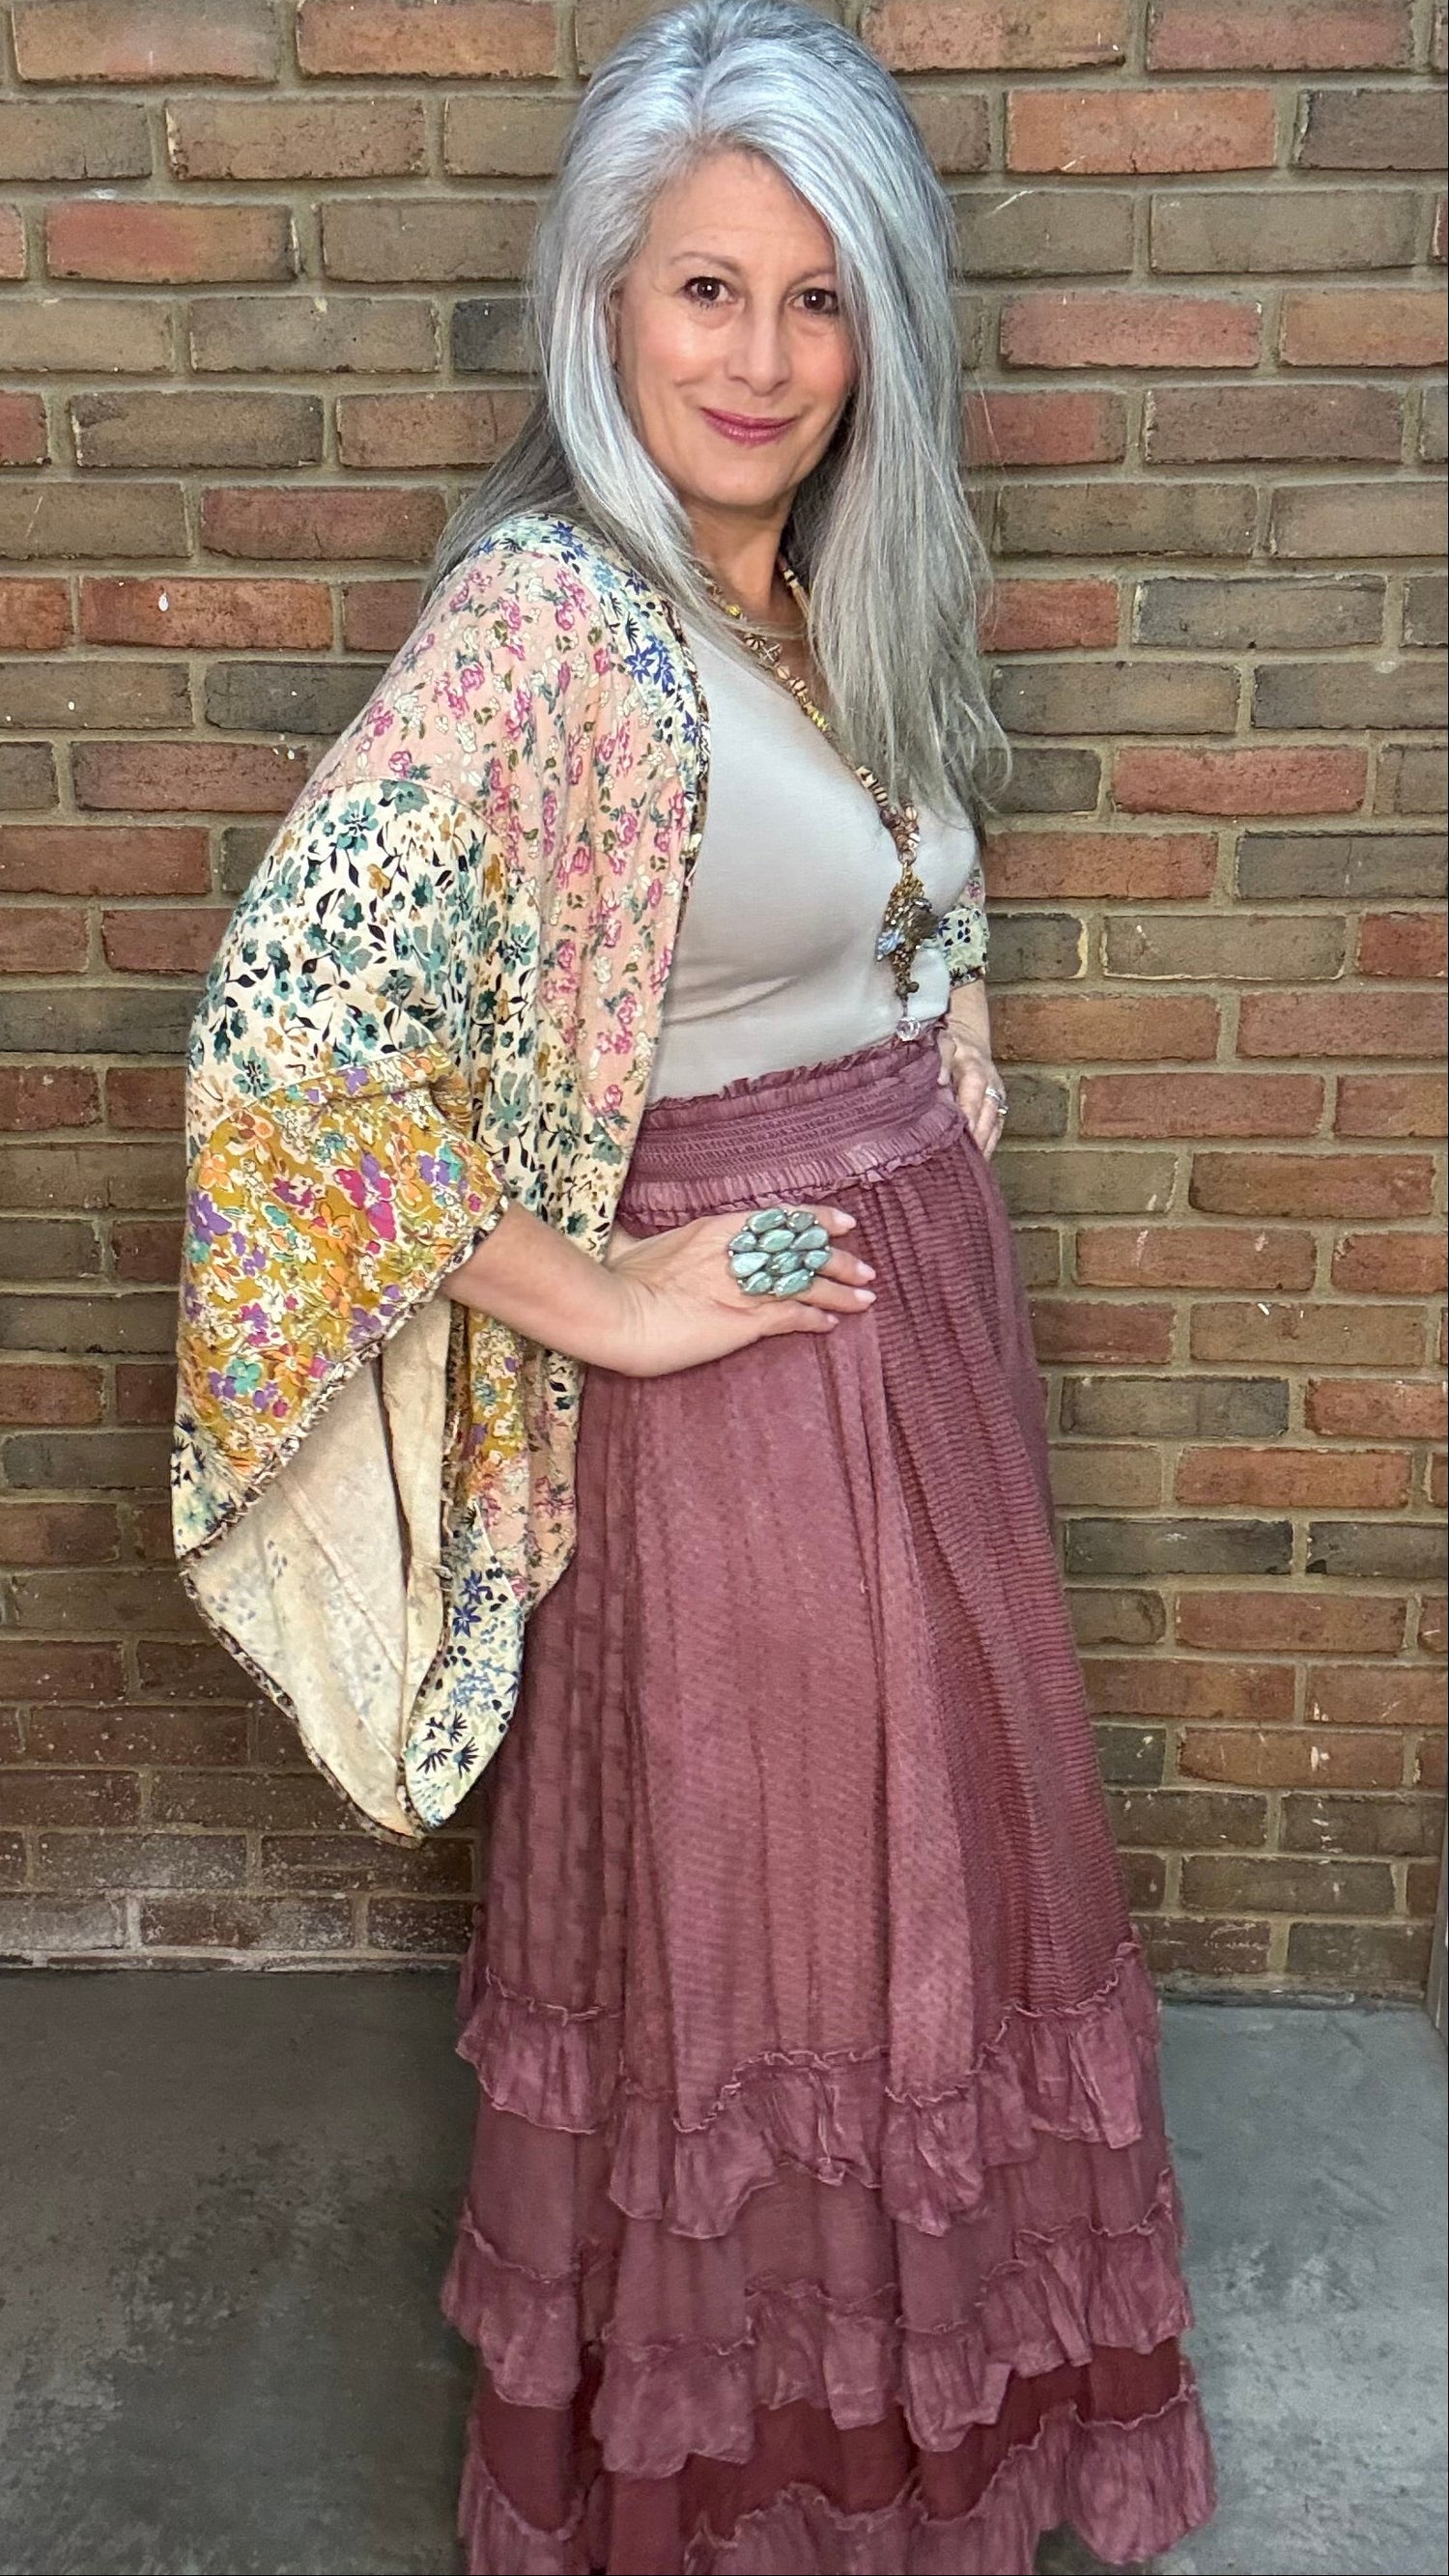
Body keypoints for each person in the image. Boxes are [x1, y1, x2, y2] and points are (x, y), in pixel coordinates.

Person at [173, 3, 1217, 2567]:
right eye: (700, 293)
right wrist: (605, 1296)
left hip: (918, 1346)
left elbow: (867, 874)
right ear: (604, 310)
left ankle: (941, 2431)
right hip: (734, 1388)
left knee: (935, 1922)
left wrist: (936, 1004)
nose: (756, 360)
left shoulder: (835, 588)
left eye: (815, 297)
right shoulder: (553, 623)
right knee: (777, 1947)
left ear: (882, 325)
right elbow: (279, 1047)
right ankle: (762, 2479)